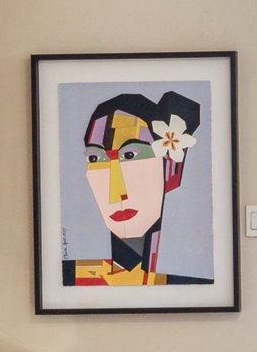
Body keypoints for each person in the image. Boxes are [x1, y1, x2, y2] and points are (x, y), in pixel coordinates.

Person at [65, 89, 208, 286]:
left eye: (130, 155)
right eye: (95, 158)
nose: (116, 192)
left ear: (172, 167)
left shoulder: (191, 282)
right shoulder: (70, 275)